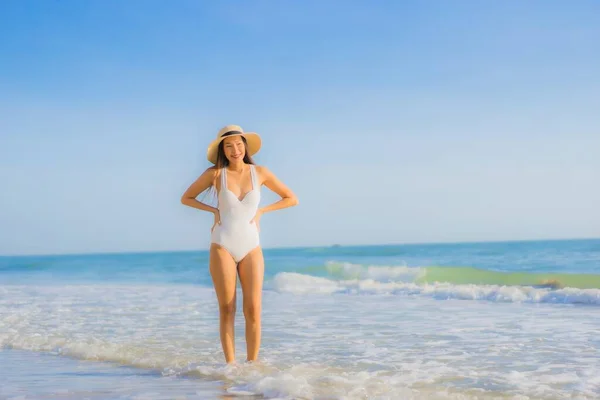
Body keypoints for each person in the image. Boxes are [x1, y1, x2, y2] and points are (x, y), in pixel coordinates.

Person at [180, 124, 299, 364]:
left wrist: (263, 212)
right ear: (222, 150)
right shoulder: (214, 174)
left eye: (238, 144)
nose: (235, 150)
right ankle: (231, 368)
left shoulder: (261, 172)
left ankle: (252, 366)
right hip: (222, 244)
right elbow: (186, 198)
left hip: (251, 245)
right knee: (227, 309)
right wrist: (213, 211)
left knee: (253, 310)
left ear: (245, 145)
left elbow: (291, 198)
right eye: (229, 145)